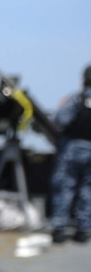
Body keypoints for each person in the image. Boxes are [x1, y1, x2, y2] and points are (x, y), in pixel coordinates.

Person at [51, 64, 91, 243]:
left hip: (73, 150)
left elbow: (61, 119)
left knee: (65, 188)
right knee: (87, 190)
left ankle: (59, 228)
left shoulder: (77, 99)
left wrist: (62, 105)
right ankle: (83, 230)